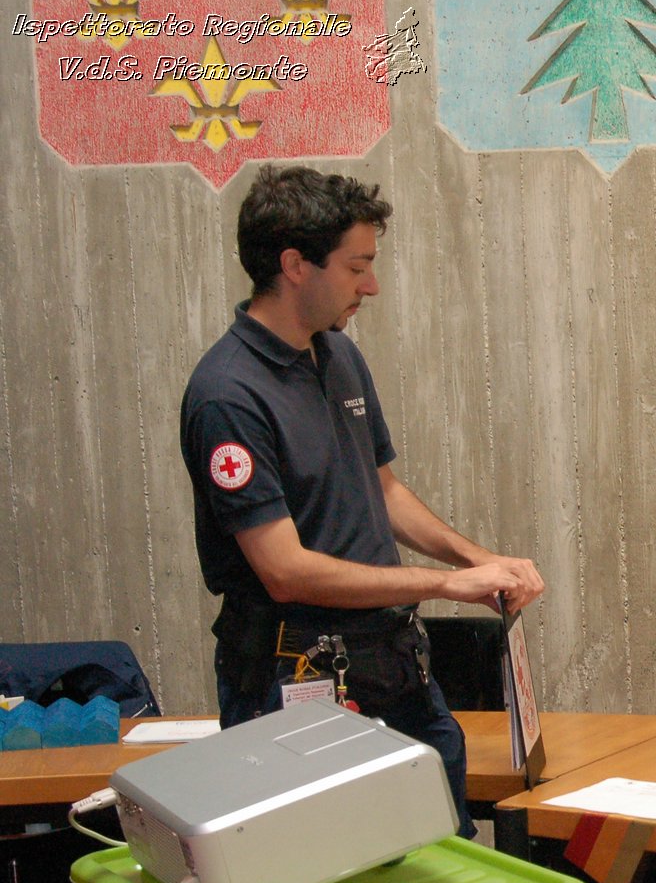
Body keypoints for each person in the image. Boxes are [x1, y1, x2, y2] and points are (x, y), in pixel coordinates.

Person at [179, 165, 543, 838]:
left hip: (393, 660)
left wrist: (480, 559)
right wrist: (448, 584)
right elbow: (284, 570)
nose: (371, 285)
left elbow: (384, 490)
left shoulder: (338, 355)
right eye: (356, 267)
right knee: (322, 866)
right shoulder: (229, 395)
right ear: (295, 265)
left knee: (443, 847)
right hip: (294, 676)